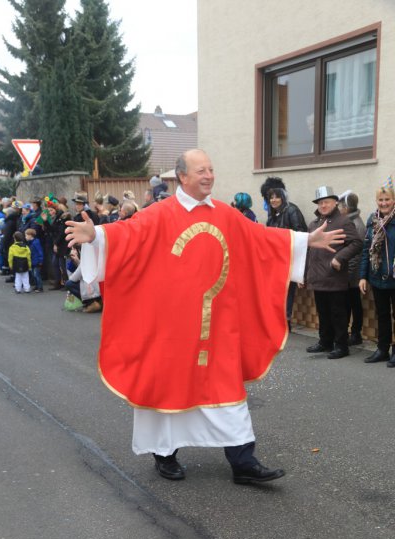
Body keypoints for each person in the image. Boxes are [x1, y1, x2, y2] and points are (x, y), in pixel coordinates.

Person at [65, 149, 344, 484]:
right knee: (168, 387)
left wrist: (305, 241)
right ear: (182, 176)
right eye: (201, 171)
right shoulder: (159, 214)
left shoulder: (225, 214)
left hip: (217, 325)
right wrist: (96, 235)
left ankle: (243, 462)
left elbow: (261, 239)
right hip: (172, 328)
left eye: (211, 169)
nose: (209, 175)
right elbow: (127, 235)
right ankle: (165, 455)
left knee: (226, 388)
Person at [305, 186, 363, 359]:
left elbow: (357, 243)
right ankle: (325, 342)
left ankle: (341, 346)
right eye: (320, 203)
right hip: (317, 277)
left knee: (338, 314)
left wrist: (340, 258)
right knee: (323, 313)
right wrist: (304, 274)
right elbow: (308, 250)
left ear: (335, 202)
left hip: (334, 277)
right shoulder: (314, 224)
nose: (323, 205)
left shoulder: (343, 221)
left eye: (326, 202)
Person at [359, 183, 395, 367]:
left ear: (393, 200)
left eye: (387, 199)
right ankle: (382, 349)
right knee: (382, 314)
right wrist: (363, 276)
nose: (384, 203)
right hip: (377, 276)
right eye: (381, 200)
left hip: (394, 276)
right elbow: (367, 249)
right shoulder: (372, 220)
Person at [266, 187, 308, 330]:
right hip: (276, 259)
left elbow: (301, 233)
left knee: (287, 291)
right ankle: (277, 321)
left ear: (283, 198)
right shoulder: (272, 214)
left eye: (277, 197)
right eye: (271, 197)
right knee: (277, 291)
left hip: (289, 258)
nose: (273, 200)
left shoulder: (292, 210)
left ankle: (285, 321)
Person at [338, 190, 366, 345]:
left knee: (354, 304)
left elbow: (356, 254)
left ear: (347, 208)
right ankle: (350, 332)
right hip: (348, 273)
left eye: (341, 206)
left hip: (353, 274)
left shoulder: (356, 225)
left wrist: (348, 275)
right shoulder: (349, 222)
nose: (339, 209)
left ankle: (356, 334)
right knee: (348, 304)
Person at [25, 228, 44, 292]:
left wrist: (40, 260)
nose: (25, 237)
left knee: (36, 275)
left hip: (37, 262)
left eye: (26, 235)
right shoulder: (30, 243)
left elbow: (40, 252)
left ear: (30, 235)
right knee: (33, 274)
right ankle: (36, 286)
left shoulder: (35, 243)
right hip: (33, 261)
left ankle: (40, 287)